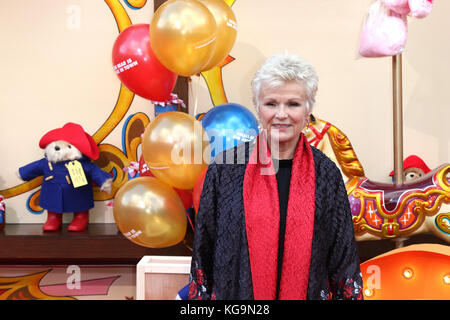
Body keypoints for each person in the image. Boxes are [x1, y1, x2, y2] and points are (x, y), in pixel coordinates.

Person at [188, 52, 363, 300]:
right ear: (258, 108)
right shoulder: (225, 169)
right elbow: (203, 256)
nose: (281, 114)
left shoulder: (327, 174)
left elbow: (343, 262)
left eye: (293, 104)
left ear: (308, 109)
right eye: (271, 104)